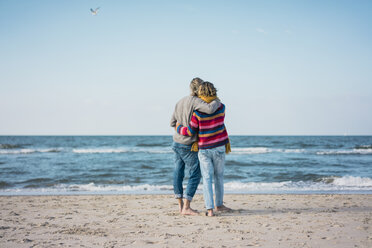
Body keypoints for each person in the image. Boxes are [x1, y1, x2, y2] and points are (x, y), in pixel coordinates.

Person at [175, 81, 231, 217]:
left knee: (206, 178)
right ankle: (219, 205)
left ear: (200, 93)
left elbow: (189, 131)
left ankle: (210, 210)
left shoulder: (198, 113)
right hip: (219, 147)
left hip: (204, 148)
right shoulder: (222, 107)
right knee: (219, 177)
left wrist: (178, 127)